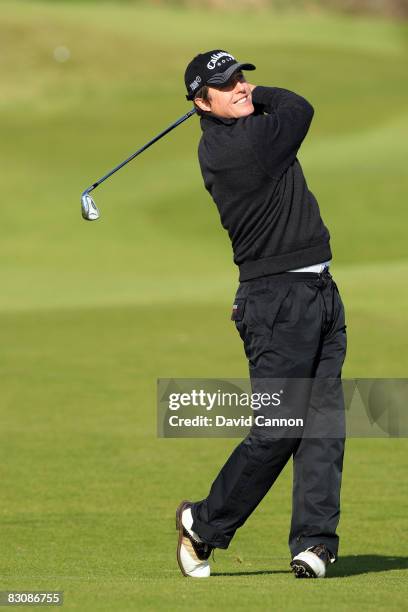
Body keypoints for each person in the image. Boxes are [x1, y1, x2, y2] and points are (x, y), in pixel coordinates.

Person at [176, 50, 347, 579]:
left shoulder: (239, 130)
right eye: (226, 86)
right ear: (201, 103)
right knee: (278, 430)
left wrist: (239, 100)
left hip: (317, 290)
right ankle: (202, 524)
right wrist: (261, 97)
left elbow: (274, 106)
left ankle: (313, 544)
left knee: (323, 425)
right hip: (278, 303)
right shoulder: (246, 145)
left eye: (242, 77)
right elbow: (299, 105)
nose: (243, 87)